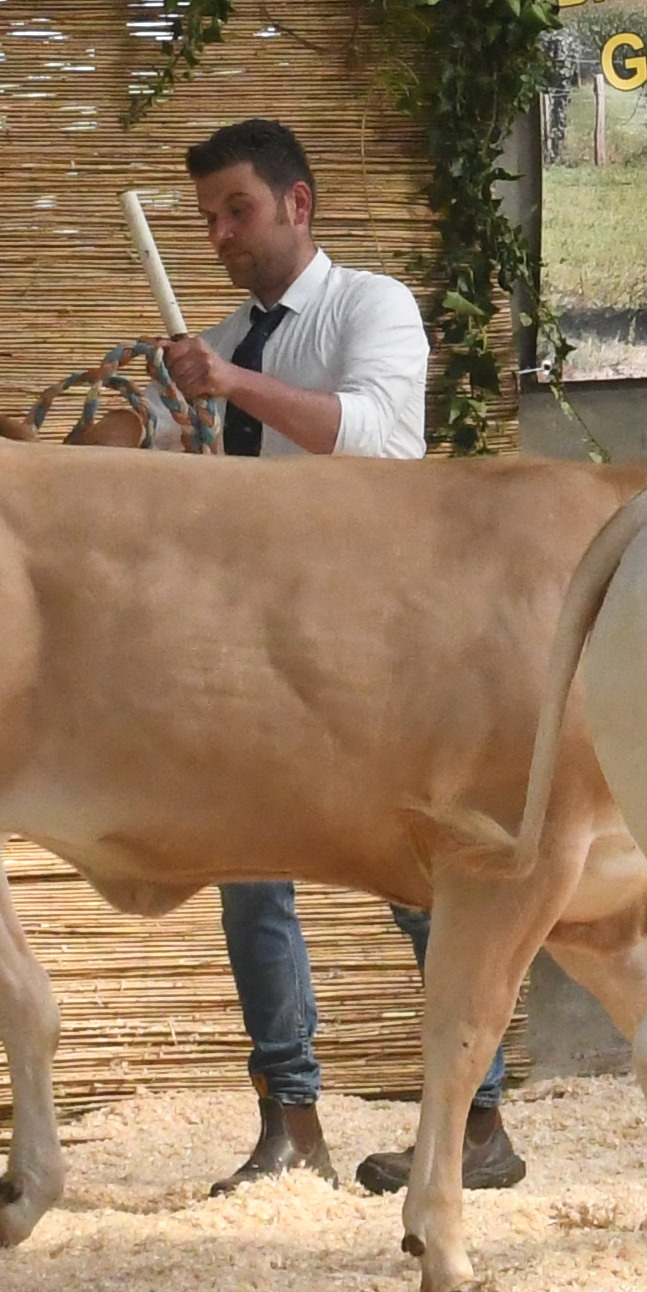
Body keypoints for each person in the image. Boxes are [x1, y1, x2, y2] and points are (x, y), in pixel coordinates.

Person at [147, 118, 511, 1202]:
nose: (219, 234)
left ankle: (476, 1122)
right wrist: (145, 417)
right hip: (254, 646)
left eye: (237, 211)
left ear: (299, 206)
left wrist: (228, 384)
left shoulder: (372, 306)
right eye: (207, 217)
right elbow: (181, 484)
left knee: (417, 878)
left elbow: (380, 443)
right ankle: (286, 1123)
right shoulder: (214, 342)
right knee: (247, 881)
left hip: (381, 641)